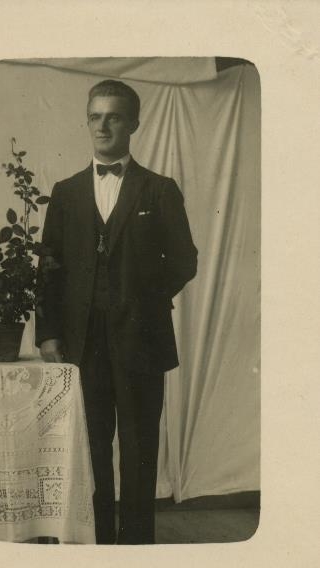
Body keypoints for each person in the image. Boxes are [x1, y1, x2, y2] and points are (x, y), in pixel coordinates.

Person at [35, 79, 198, 544]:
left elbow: (184, 260)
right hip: (82, 343)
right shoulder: (66, 192)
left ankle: (137, 548)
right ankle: (99, 543)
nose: (102, 126)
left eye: (114, 117)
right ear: (87, 122)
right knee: (91, 450)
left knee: (140, 449)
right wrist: (48, 333)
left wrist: (142, 299)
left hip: (142, 341)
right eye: (95, 116)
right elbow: (49, 267)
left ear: (134, 124)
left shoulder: (159, 190)